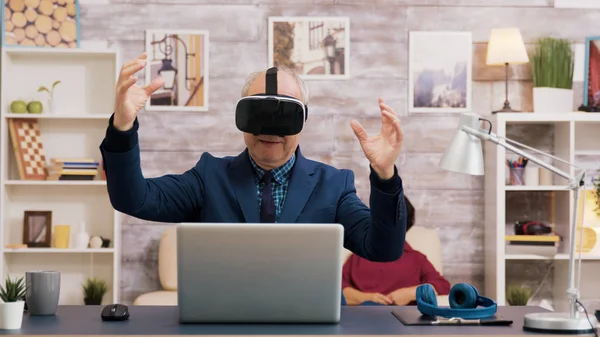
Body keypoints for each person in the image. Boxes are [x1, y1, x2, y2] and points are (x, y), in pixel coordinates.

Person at [99, 52, 408, 264]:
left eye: (284, 113)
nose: (270, 128)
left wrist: (385, 174)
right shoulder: (210, 177)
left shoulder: (334, 185)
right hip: (226, 321)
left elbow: (384, 250)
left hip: (311, 324)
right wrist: (122, 127)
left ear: (303, 119)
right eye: (258, 111)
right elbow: (133, 199)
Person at [341, 196, 451, 306]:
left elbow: (442, 286)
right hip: (362, 314)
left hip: (402, 317)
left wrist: (410, 293)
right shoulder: (359, 254)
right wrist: (365, 298)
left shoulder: (417, 259)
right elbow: (337, 286)